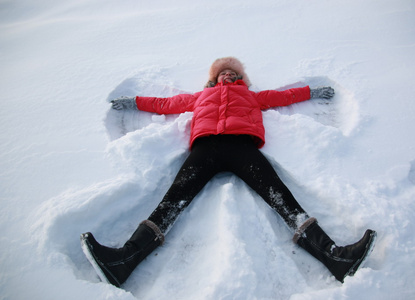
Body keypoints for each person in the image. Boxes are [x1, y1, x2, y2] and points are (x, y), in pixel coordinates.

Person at [80, 57, 376, 287]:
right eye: (224, 72)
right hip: (205, 150)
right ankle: (123, 262)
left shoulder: (252, 96)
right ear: (214, 77)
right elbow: (165, 104)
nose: (229, 75)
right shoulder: (199, 97)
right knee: (172, 201)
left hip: (242, 149)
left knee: (282, 199)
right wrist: (134, 103)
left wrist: (312, 92)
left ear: (241, 78)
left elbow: (285, 97)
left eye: (234, 73)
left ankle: (334, 256)